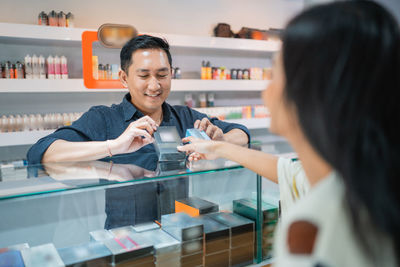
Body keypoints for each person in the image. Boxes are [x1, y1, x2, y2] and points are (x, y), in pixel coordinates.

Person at [178, 1, 400, 266]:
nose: (265, 92)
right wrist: (217, 148)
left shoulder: (312, 229)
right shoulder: (366, 180)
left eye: (275, 75)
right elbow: (290, 171)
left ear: (308, 94)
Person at [27, 35, 249, 164]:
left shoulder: (185, 116)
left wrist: (220, 142)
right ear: (124, 78)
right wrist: (113, 146)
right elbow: (41, 152)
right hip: (125, 239)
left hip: (179, 226)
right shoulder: (103, 118)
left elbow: (242, 133)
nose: (154, 85)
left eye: (162, 75)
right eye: (143, 75)